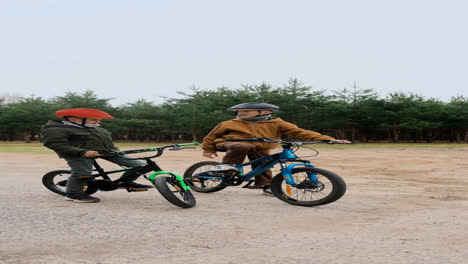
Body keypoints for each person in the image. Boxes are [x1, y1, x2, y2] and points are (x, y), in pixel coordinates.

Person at [201, 102, 351, 196]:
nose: (241, 114)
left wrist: (328, 139)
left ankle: (265, 185)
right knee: (243, 145)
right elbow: (211, 136)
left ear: (265, 112)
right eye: (239, 112)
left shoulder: (277, 123)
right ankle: (227, 166)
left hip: (259, 146)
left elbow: (300, 132)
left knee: (265, 160)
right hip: (230, 143)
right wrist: (207, 149)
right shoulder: (229, 123)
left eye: (246, 112)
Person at [40, 108, 153, 203]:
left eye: (98, 120)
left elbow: (107, 142)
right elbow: (55, 144)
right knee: (82, 173)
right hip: (78, 154)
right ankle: (73, 194)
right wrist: (83, 152)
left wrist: (116, 152)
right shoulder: (55, 129)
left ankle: (126, 182)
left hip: (105, 151)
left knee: (140, 165)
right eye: (94, 119)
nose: (98, 122)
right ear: (73, 119)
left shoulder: (96, 128)